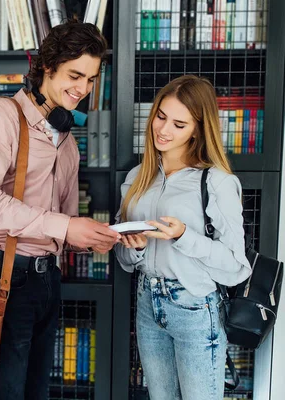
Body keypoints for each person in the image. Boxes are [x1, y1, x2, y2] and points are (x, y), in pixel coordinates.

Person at [0, 20, 120, 400]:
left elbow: (59, 227)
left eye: (91, 79)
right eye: (75, 75)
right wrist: (65, 226)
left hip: (46, 282)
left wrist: (94, 237)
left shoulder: (67, 144)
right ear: (48, 66)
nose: (83, 89)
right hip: (0, 277)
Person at [114, 75, 251, 400]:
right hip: (147, 303)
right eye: (161, 116)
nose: (163, 129)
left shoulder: (216, 183)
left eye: (179, 123)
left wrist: (183, 236)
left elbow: (237, 267)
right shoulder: (137, 177)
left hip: (194, 309)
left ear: (197, 129)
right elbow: (125, 262)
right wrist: (134, 248)